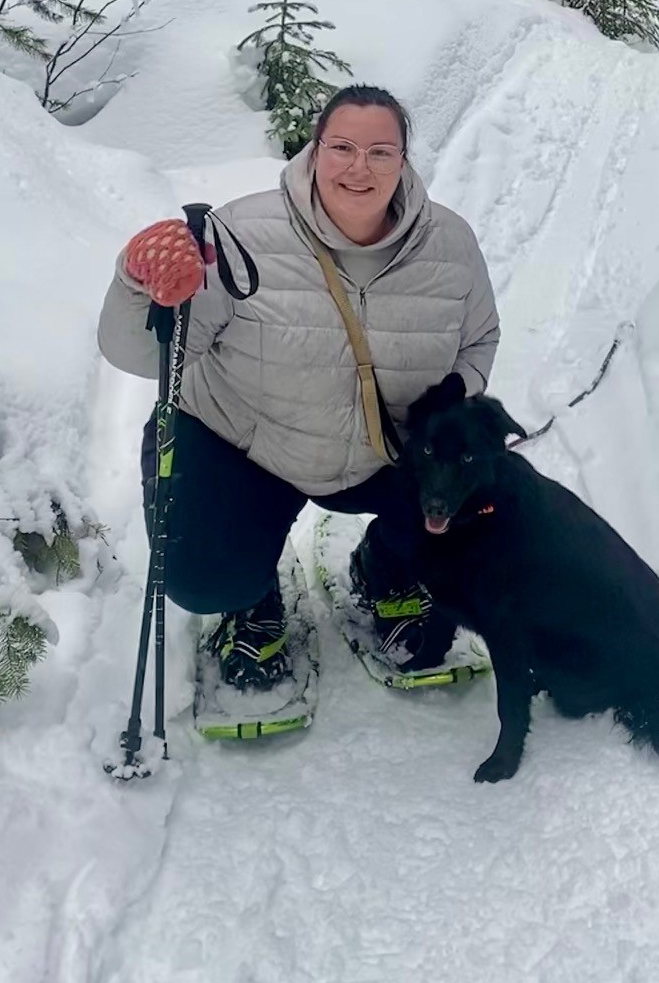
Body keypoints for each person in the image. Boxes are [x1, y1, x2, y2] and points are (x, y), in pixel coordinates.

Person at [97, 83, 501, 688]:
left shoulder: (450, 243)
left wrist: (444, 420)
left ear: (404, 160)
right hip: (248, 449)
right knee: (202, 580)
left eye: (380, 152)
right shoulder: (241, 234)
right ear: (315, 150)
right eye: (342, 147)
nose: (359, 168)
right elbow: (147, 355)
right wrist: (136, 281)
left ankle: (383, 568)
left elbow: (480, 339)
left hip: (382, 456)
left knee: (486, 522)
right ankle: (252, 598)